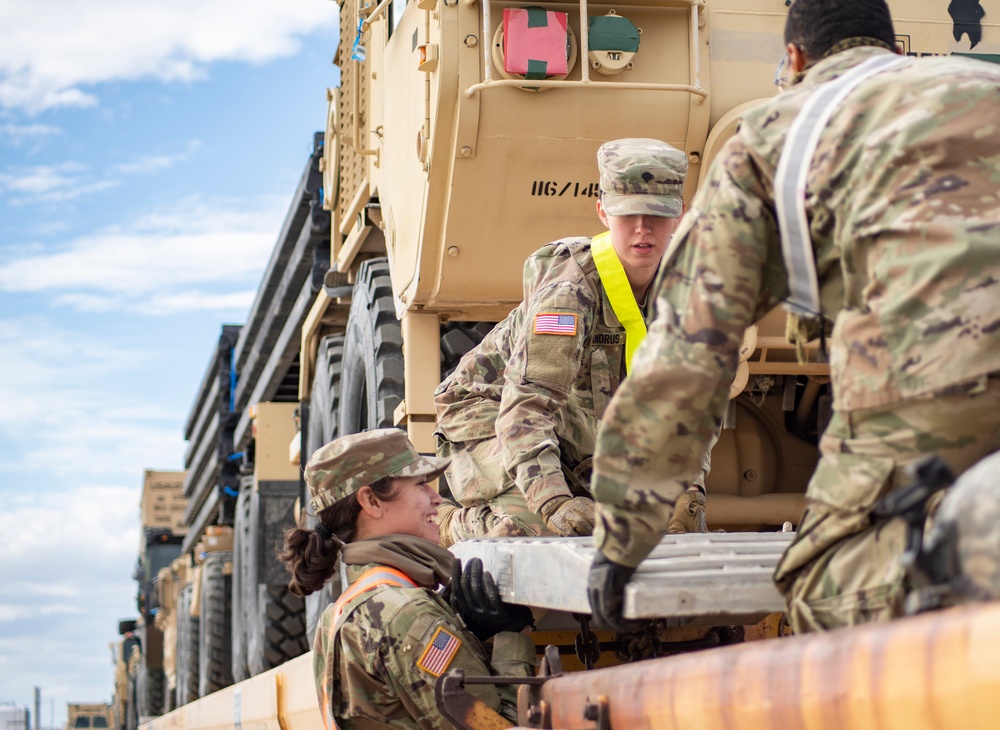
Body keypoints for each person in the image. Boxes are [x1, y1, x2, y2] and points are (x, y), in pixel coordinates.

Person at [587, 0, 1000, 634]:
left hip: (930, 392)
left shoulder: (779, 131)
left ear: (797, 58)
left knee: (833, 595)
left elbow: (688, 355)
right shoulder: (984, 86)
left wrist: (622, 536)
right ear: (892, 50)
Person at [434, 138, 710, 546]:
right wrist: (554, 503)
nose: (642, 229)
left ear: (679, 215)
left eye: (656, 213)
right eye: (626, 212)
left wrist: (688, 491)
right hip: (485, 415)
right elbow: (525, 407)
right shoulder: (569, 293)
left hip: (573, 423)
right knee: (537, 529)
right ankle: (453, 525)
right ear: (602, 211)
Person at [278, 428, 535, 729]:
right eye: (422, 484)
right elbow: (502, 726)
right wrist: (510, 637)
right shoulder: (407, 613)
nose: (437, 498)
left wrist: (471, 636)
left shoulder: (337, 615)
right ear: (371, 501)